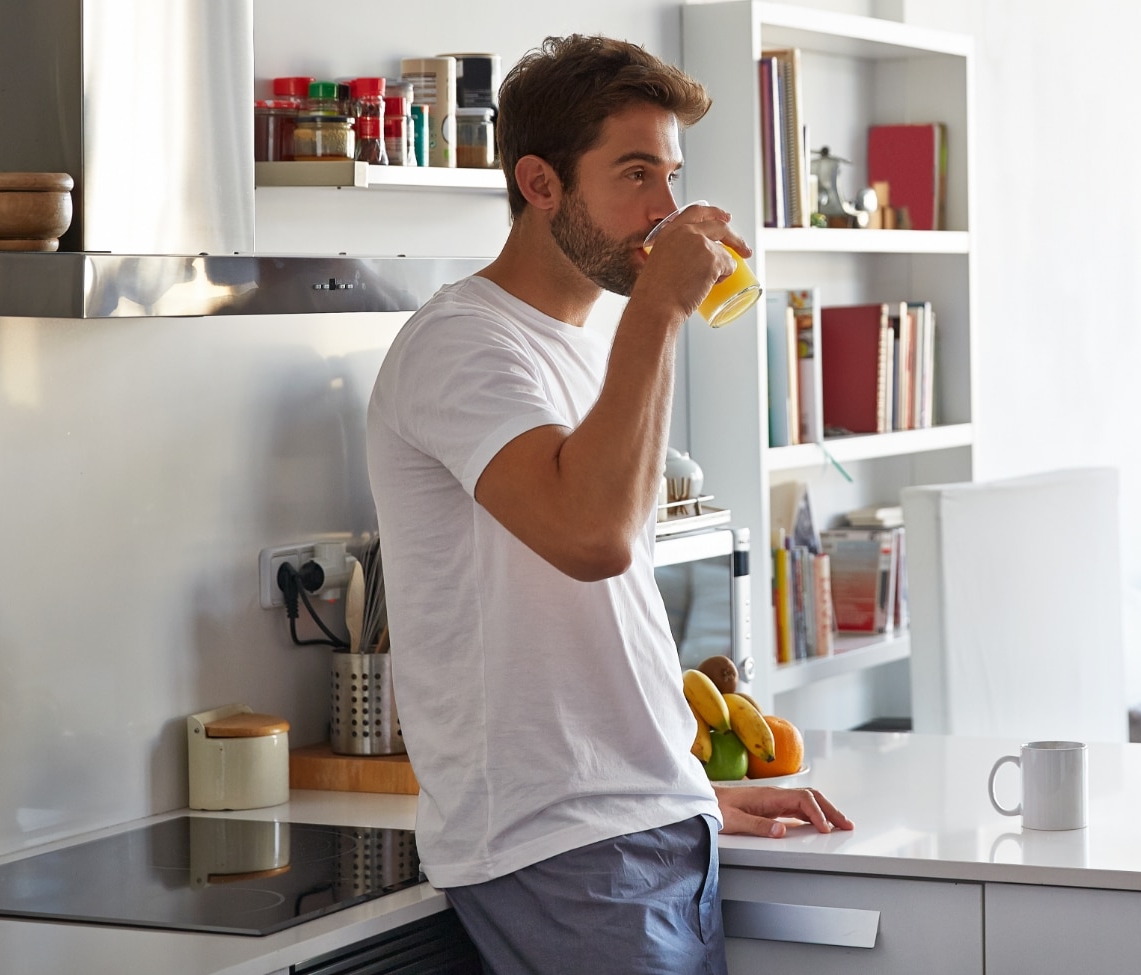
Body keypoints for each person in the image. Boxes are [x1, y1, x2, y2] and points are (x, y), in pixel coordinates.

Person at [366, 34, 853, 974]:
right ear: (540, 183)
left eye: (670, 176)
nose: (665, 211)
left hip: (642, 829)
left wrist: (688, 791)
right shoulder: (461, 345)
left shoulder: (588, 343)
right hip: (561, 851)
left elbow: (603, 619)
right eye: (635, 174)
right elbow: (593, 540)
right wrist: (661, 310)